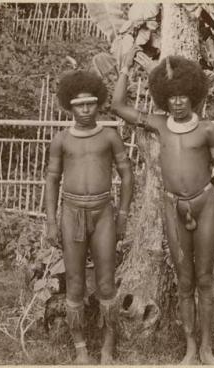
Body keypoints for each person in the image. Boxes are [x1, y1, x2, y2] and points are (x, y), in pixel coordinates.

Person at [111, 48, 214, 365]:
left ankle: (207, 349)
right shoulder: (159, 124)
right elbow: (118, 106)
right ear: (164, 98)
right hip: (172, 208)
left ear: (194, 96)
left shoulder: (208, 130)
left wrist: (202, 195)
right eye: (172, 97)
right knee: (185, 281)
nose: (177, 102)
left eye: (183, 96)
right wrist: (124, 69)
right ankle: (190, 349)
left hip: (204, 207)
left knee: (205, 279)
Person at [45, 70, 134, 364]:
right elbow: (52, 179)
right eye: (79, 105)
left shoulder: (110, 136)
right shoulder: (61, 140)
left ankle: (108, 346)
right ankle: (80, 347)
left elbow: (126, 175)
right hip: (71, 212)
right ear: (69, 106)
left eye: (90, 104)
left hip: (103, 212)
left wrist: (122, 215)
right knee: (75, 282)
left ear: (99, 104)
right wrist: (50, 220)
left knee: (106, 283)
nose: (85, 110)